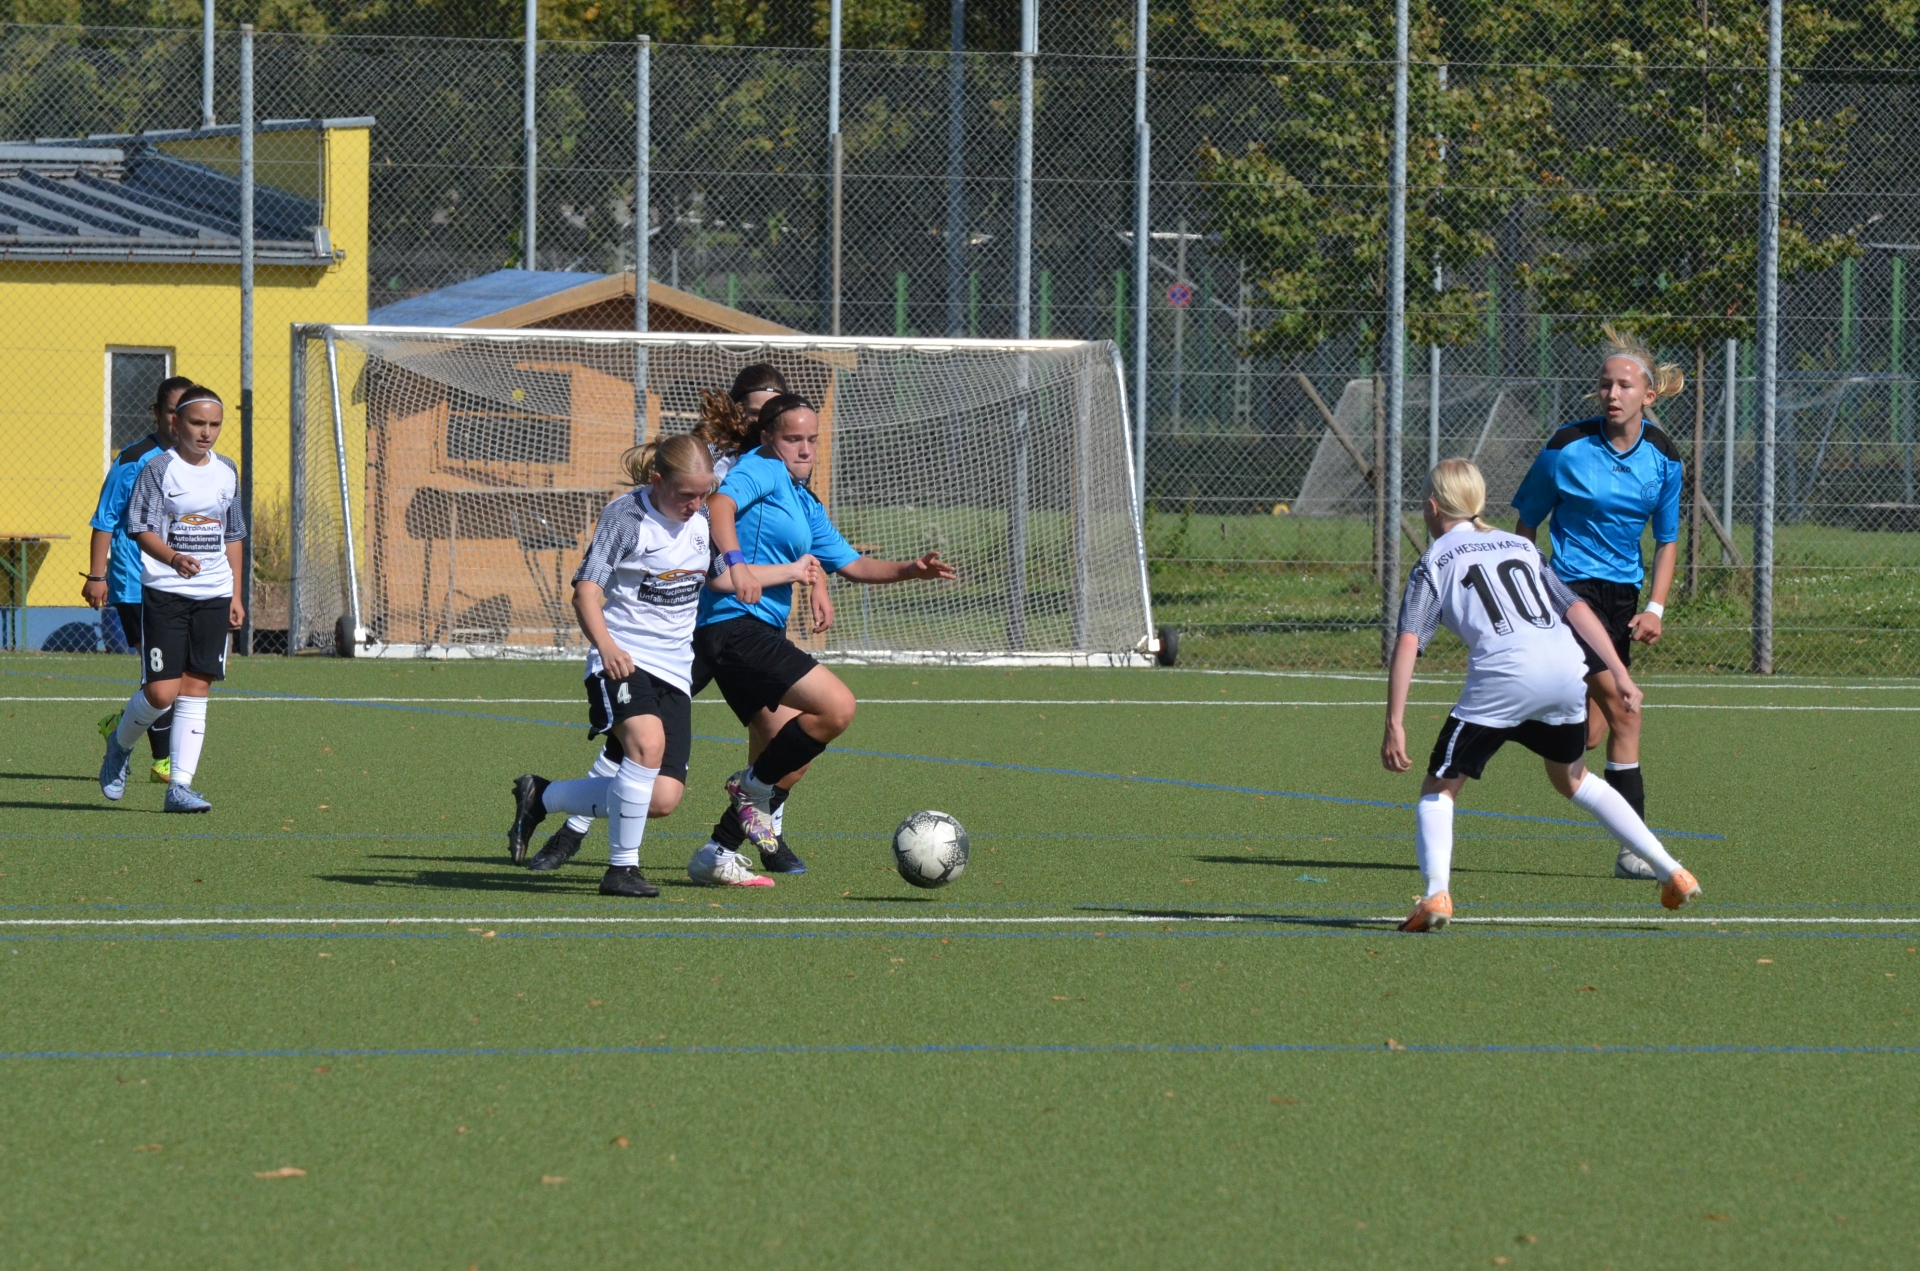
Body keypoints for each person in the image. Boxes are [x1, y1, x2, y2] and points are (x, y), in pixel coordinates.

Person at [1383, 459, 1701, 933]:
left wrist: (1394, 722)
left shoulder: (1434, 561)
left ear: (1431, 507)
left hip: (1504, 677)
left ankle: (1436, 894)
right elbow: (1575, 609)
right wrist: (1619, 673)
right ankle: (1669, 869)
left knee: (1440, 788)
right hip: (1565, 668)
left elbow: (1410, 640)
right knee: (1573, 778)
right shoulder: (1522, 547)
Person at [504, 436, 824, 894]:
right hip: (623, 659)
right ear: (657, 480)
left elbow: (720, 578)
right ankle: (622, 870)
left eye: (703, 493)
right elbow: (586, 593)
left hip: (674, 667)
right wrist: (607, 646)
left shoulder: (701, 519)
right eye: (685, 495)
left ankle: (544, 796)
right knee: (647, 744)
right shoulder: (626, 518)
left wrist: (791, 572)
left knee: (661, 798)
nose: (695, 505)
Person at [687, 393, 956, 884]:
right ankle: (748, 791)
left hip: (756, 632)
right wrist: (736, 564)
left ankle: (716, 852)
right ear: (768, 438)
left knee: (788, 757)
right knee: (837, 707)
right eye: (793, 438)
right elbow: (719, 504)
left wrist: (910, 570)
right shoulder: (762, 468)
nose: (805, 449)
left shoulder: (804, 501)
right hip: (732, 625)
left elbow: (852, 564)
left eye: (812, 439)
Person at [1512, 327, 1684, 882]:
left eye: (1625, 386)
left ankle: (1506, 720)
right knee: (1627, 710)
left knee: (1587, 736)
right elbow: (1526, 523)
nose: (1612, 394)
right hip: (1568, 592)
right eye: (1605, 384)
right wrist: (1530, 587)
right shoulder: (1565, 446)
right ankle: (1637, 852)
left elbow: (1667, 540)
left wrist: (1655, 608)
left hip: (1621, 599)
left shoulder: (1664, 457)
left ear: (1648, 395)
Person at [97, 387, 247, 813]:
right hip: (165, 592)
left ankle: (179, 787)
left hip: (214, 593)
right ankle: (120, 744)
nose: (206, 432)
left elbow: (233, 533)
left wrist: (235, 593)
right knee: (162, 693)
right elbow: (139, 528)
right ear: (177, 423)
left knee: (196, 688)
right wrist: (173, 558)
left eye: (214, 424)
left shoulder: (227, 470)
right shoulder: (158, 468)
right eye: (197, 423)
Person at [84, 374, 194, 784]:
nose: (179, 420)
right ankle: (163, 762)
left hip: (180, 580)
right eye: (172, 412)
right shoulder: (134, 458)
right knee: (159, 673)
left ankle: (120, 726)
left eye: (186, 413)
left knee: (178, 674)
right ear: (157, 413)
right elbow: (105, 519)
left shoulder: (197, 462)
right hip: (135, 581)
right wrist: (97, 575)